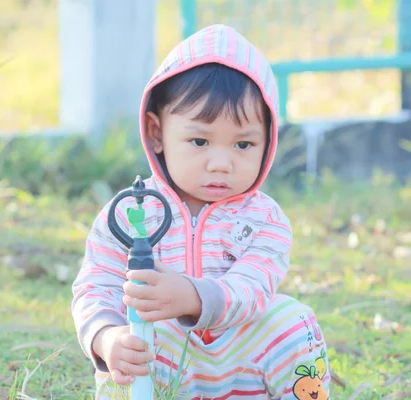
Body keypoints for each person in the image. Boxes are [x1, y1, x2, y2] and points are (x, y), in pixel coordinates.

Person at [71, 24, 331, 399]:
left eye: (243, 144)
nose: (221, 163)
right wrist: (106, 337)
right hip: (162, 367)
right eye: (199, 141)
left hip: (240, 362)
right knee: (131, 343)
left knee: (293, 320)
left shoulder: (266, 220)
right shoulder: (131, 212)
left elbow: (252, 290)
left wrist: (193, 296)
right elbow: (96, 284)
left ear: (268, 140)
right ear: (157, 133)